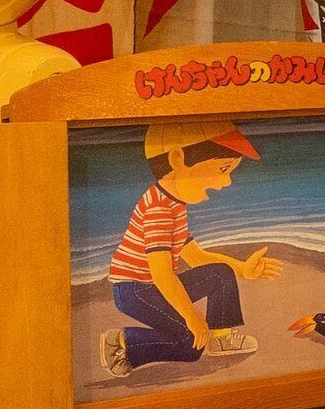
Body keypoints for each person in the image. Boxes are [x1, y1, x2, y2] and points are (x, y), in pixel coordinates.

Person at [111, 123, 279, 371]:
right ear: (178, 159)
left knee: (220, 273)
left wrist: (242, 268)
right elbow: (162, 274)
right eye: (223, 169)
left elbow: (196, 256)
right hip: (135, 291)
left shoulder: (173, 203)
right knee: (190, 344)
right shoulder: (159, 209)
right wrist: (191, 316)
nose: (227, 182)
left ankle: (221, 339)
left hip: (151, 286)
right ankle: (124, 343)